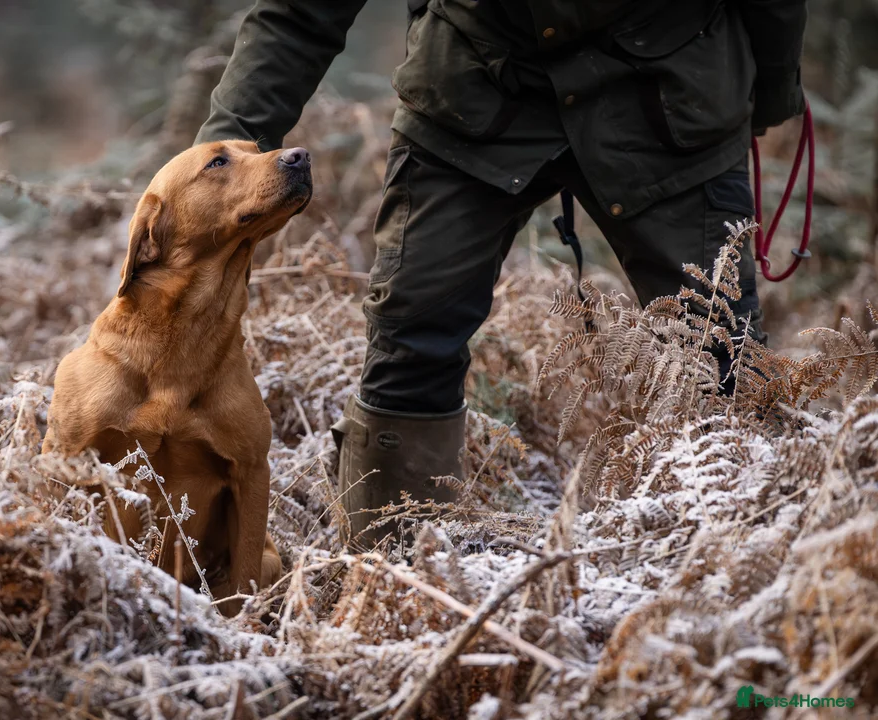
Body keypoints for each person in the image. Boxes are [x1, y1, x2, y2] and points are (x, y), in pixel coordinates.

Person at [194, 0, 807, 547]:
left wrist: (769, 87)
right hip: (473, 87)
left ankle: (746, 564)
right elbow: (302, 12)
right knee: (411, 337)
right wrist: (215, 159)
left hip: (668, 94)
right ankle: (387, 585)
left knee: (720, 358)